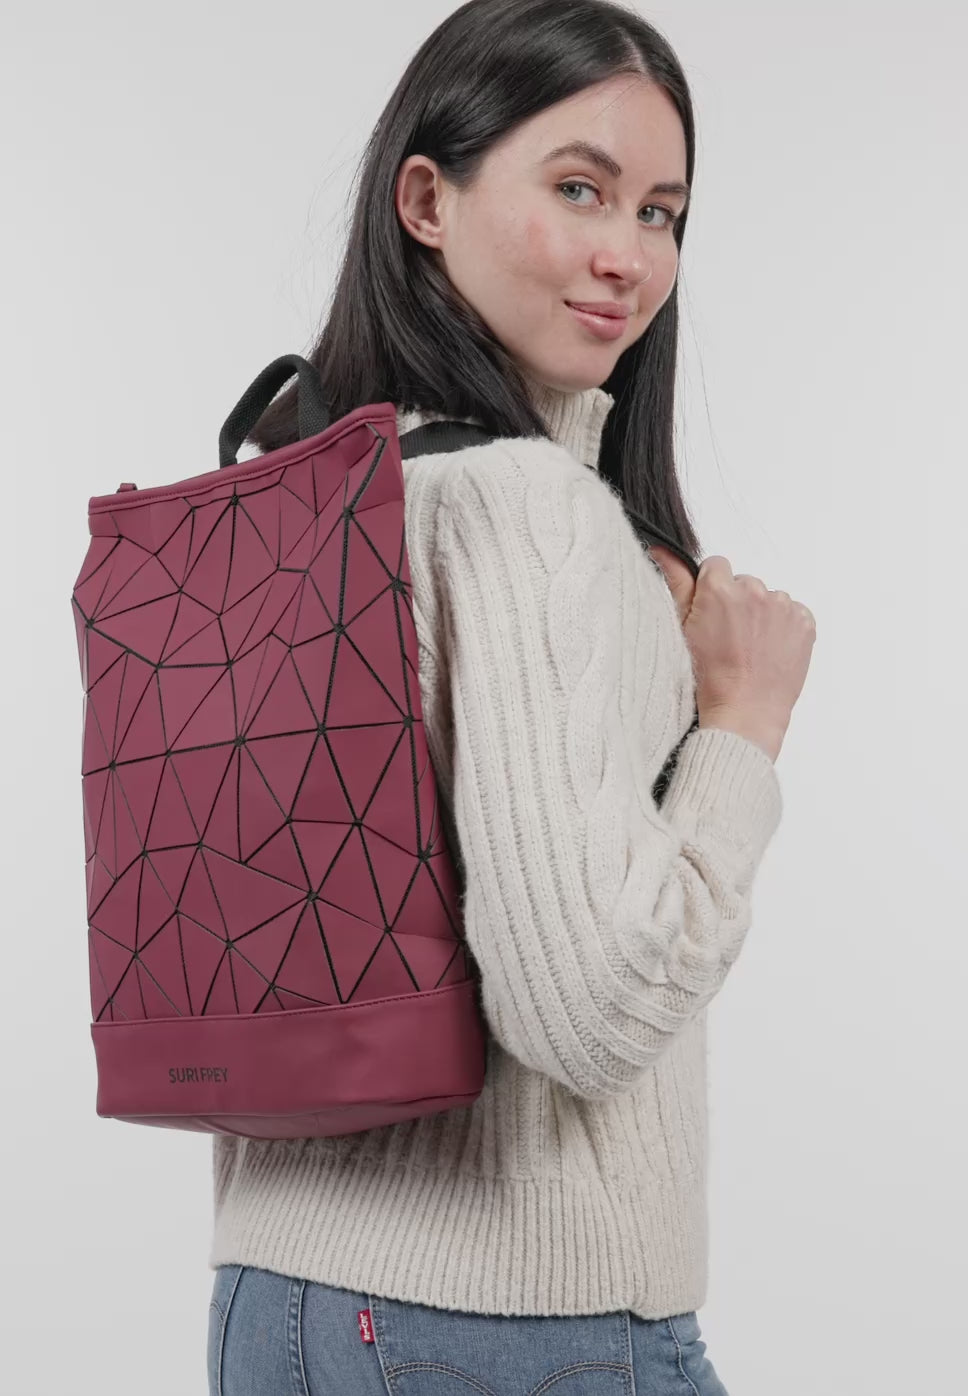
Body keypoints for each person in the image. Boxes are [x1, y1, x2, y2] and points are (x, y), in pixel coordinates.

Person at [206, 1, 816, 1391]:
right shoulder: (527, 508)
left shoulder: (321, 493)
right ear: (427, 200)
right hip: (508, 1326)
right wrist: (743, 724)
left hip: (279, 1304)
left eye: (661, 212)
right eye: (579, 189)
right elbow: (590, 1010)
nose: (628, 257)